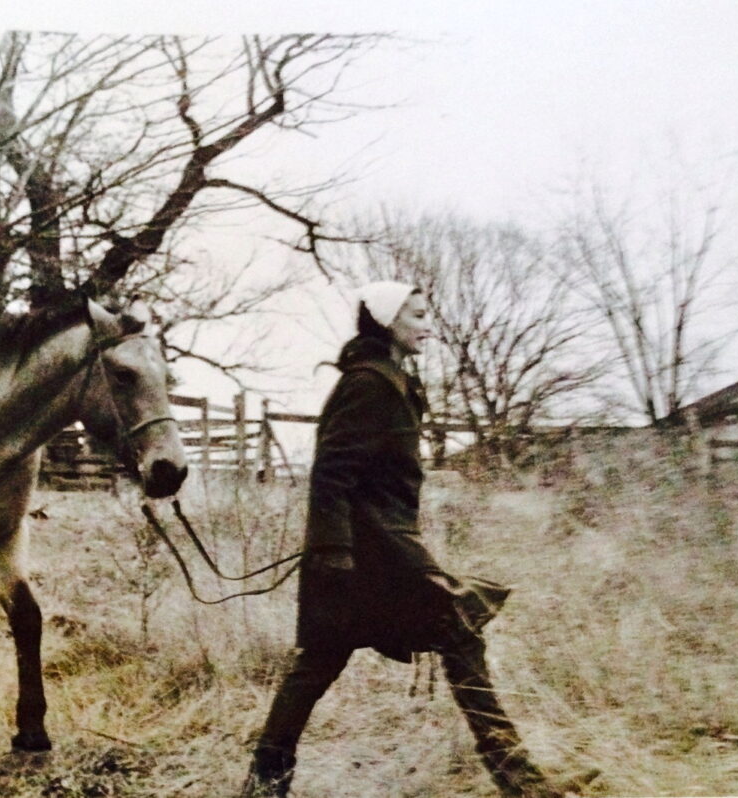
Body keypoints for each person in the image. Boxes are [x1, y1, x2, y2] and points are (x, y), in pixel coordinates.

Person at [240, 281, 586, 798]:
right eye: (418, 315)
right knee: (456, 630)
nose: (428, 325)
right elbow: (331, 473)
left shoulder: (393, 381)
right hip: (371, 550)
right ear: (387, 321)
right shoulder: (369, 384)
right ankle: (521, 780)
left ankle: (264, 786)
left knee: (321, 660)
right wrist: (333, 551)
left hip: (374, 547)